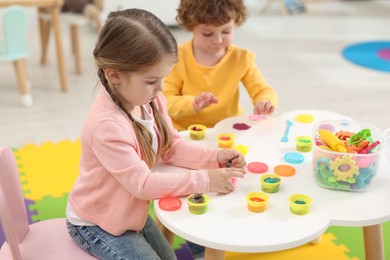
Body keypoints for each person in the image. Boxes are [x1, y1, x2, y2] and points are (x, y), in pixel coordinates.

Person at [65, 8, 247, 260]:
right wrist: (206, 180)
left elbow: (172, 148)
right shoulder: (106, 126)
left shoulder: (150, 100)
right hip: (96, 223)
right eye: (152, 81)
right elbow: (143, 185)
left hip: (126, 211)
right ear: (114, 75)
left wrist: (216, 157)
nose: (161, 89)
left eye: (163, 79)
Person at [163, 0, 279, 131]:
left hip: (229, 127)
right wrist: (192, 103)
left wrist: (265, 101)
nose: (217, 40)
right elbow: (165, 100)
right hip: (187, 131)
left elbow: (262, 90)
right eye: (207, 33)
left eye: (226, 31)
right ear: (190, 27)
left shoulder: (242, 58)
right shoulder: (176, 58)